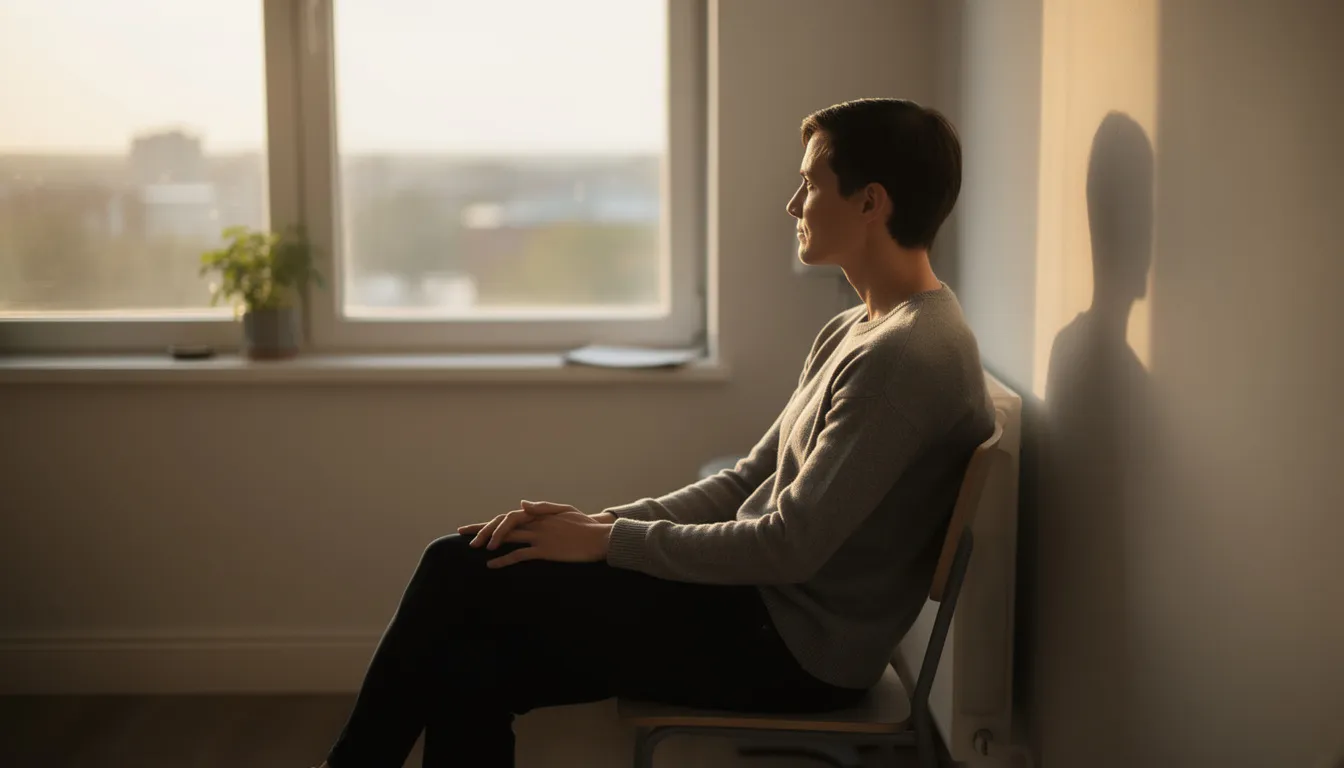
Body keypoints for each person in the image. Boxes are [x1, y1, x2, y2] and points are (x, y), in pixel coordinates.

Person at [317, 97, 994, 768]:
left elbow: (790, 546)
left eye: (811, 183)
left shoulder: (905, 358)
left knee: (455, 565)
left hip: (791, 649)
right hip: (760, 614)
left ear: (871, 202)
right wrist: (600, 525)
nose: (793, 205)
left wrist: (607, 542)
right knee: (470, 661)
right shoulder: (858, 328)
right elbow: (747, 478)